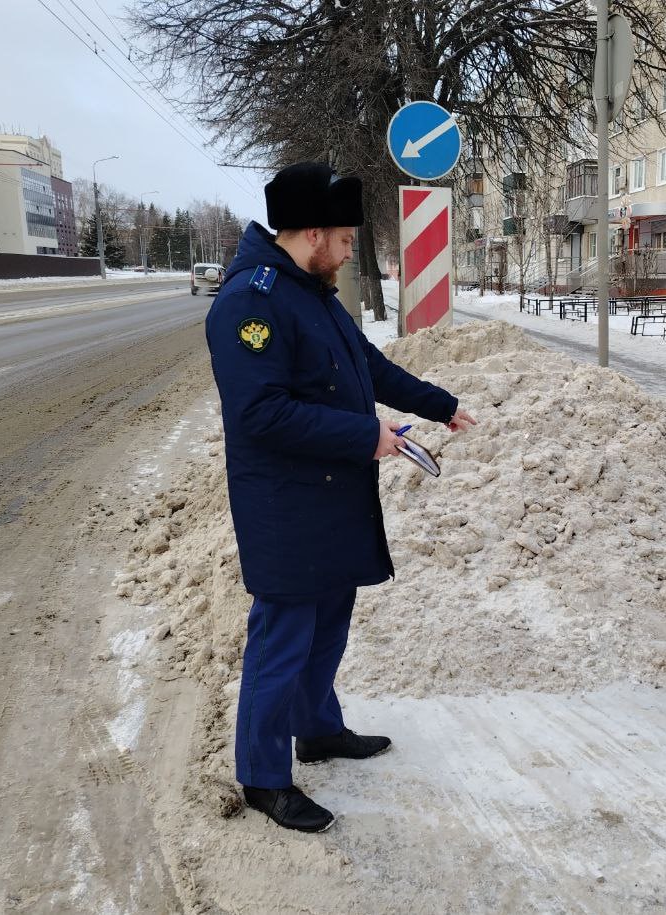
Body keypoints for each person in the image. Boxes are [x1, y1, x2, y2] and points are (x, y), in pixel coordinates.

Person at [205, 162, 476, 833]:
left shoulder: (312, 290)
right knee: (283, 640)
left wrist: (441, 406)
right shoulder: (253, 301)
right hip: (286, 507)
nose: (355, 247)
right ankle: (264, 776)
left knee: (327, 627)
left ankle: (318, 729)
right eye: (347, 236)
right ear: (313, 232)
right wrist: (366, 435)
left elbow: (369, 366)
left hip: (327, 497)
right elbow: (260, 414)